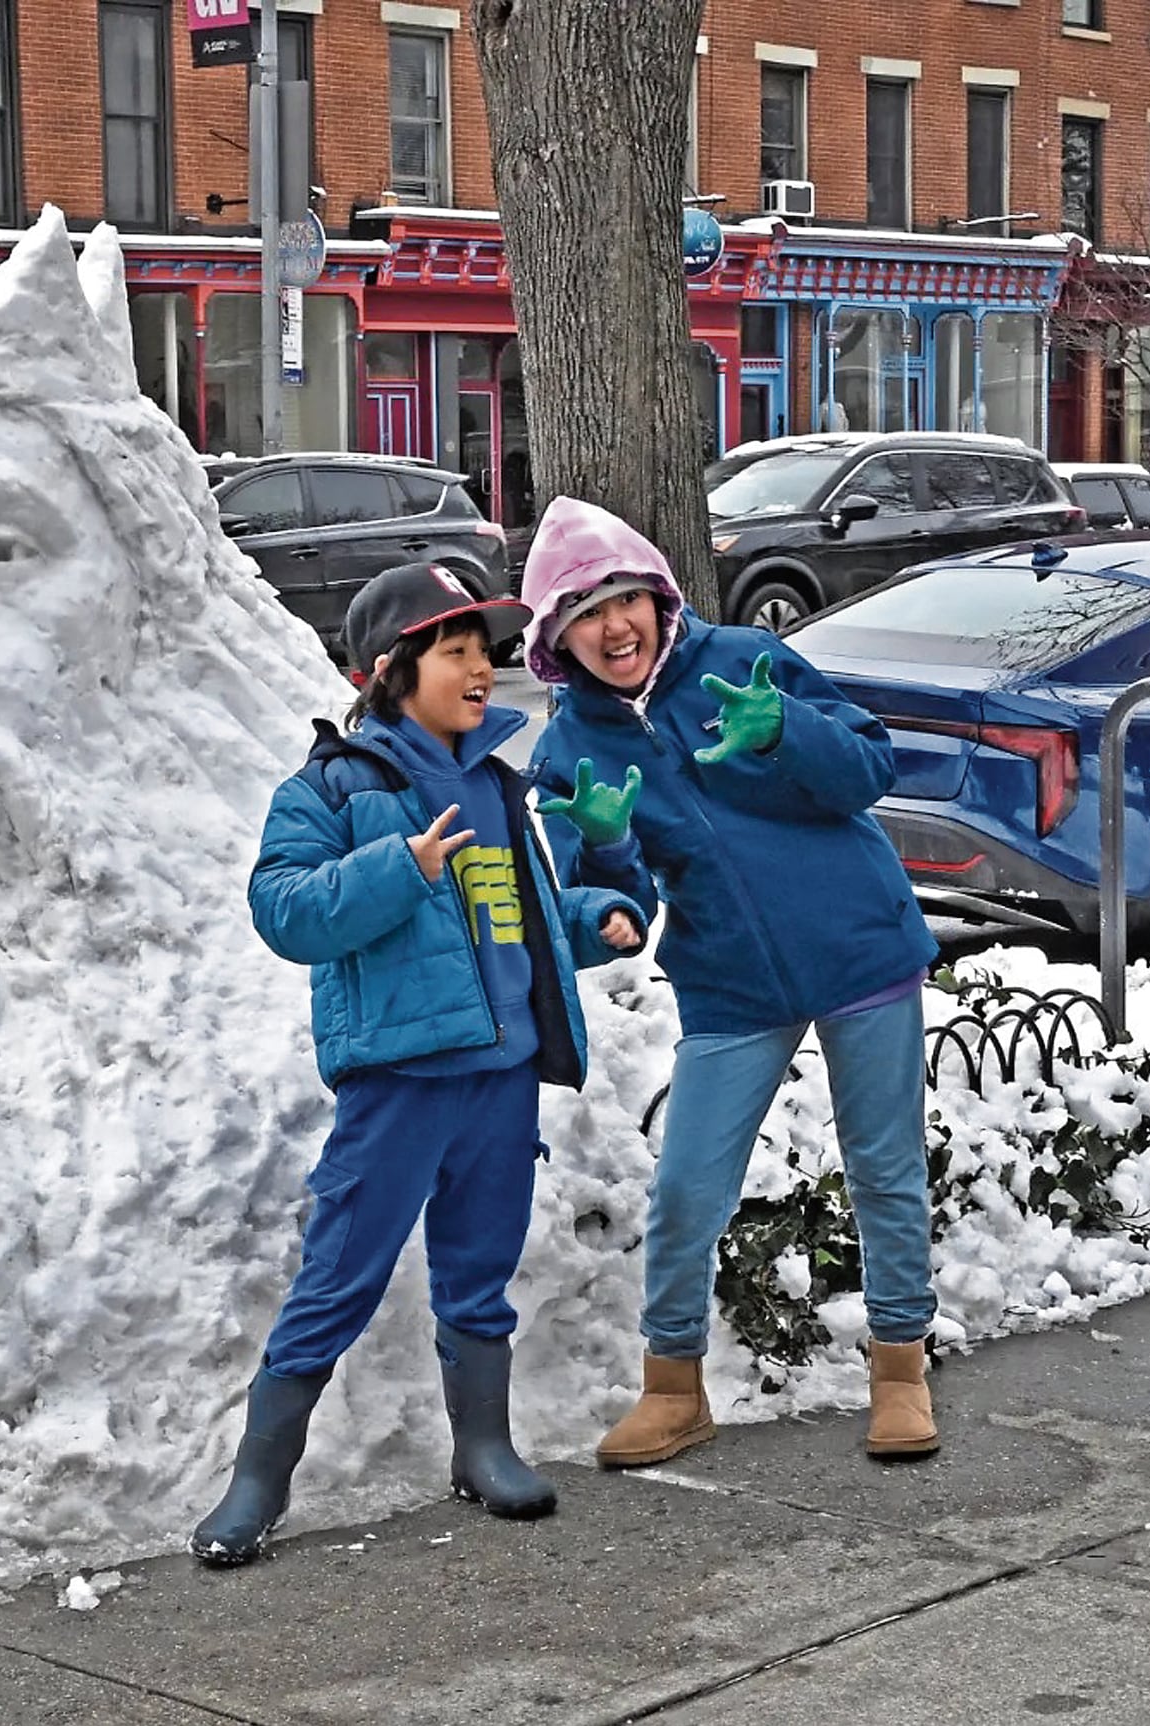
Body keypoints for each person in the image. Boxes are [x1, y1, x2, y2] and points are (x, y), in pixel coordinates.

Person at [194, 561, 649, 1567]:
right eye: (454, 650)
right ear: (391, 668)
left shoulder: (495, 785)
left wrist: (588, 918)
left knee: (478, 1272)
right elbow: (286, 911)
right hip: (399, 1084)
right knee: (339, 1276)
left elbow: (510, 919)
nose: (480, 668)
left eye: (485, 651)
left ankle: (480, 1445)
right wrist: (399, 866)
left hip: (499, 1076)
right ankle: (256, 1481)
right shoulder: (333, 787)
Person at [515, 496, 942, 1468]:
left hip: (857, 943)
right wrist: (604, 851)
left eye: (624, 596)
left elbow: (866, 766)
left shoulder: (740, 660)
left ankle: (898, 1369)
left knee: (881, 1169)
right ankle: (672, 1389)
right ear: (553, 637)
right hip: (728, 982)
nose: (613, 624)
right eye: (584, 609)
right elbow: (597, 918)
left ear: (656, 596)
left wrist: (781, 728)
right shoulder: (570, 752)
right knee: (684, 1189)